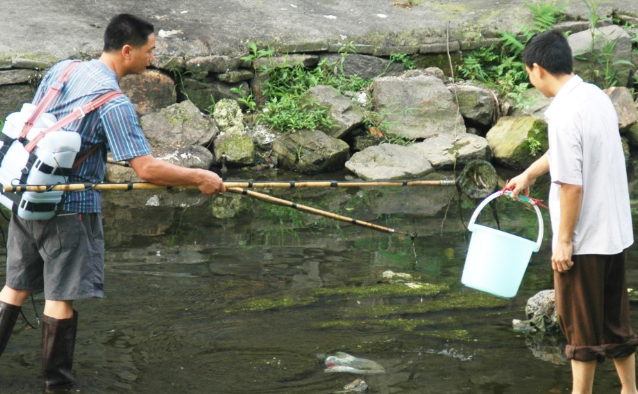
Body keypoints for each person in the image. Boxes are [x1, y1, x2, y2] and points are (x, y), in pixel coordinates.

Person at [0, 14, 225, 391]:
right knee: (60, 298)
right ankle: (58, 386)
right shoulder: (114, 102)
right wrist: (200, 176)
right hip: (68, 210)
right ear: (127, 51)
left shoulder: (64, 69)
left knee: (14, 289)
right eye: (150, 50)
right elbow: (147, 169)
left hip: (25, 195)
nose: (153, 59)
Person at [507, 30, 638, 394]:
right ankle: (630, 390)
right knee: (616, 323)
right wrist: (529, 173)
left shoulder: (562, 113)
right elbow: (573, 151)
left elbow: (572, 184)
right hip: (615, 232)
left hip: (586, 239)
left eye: (528, 73)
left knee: (579, 331)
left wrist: (564, 242)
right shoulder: (594, 96)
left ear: (537, 69)